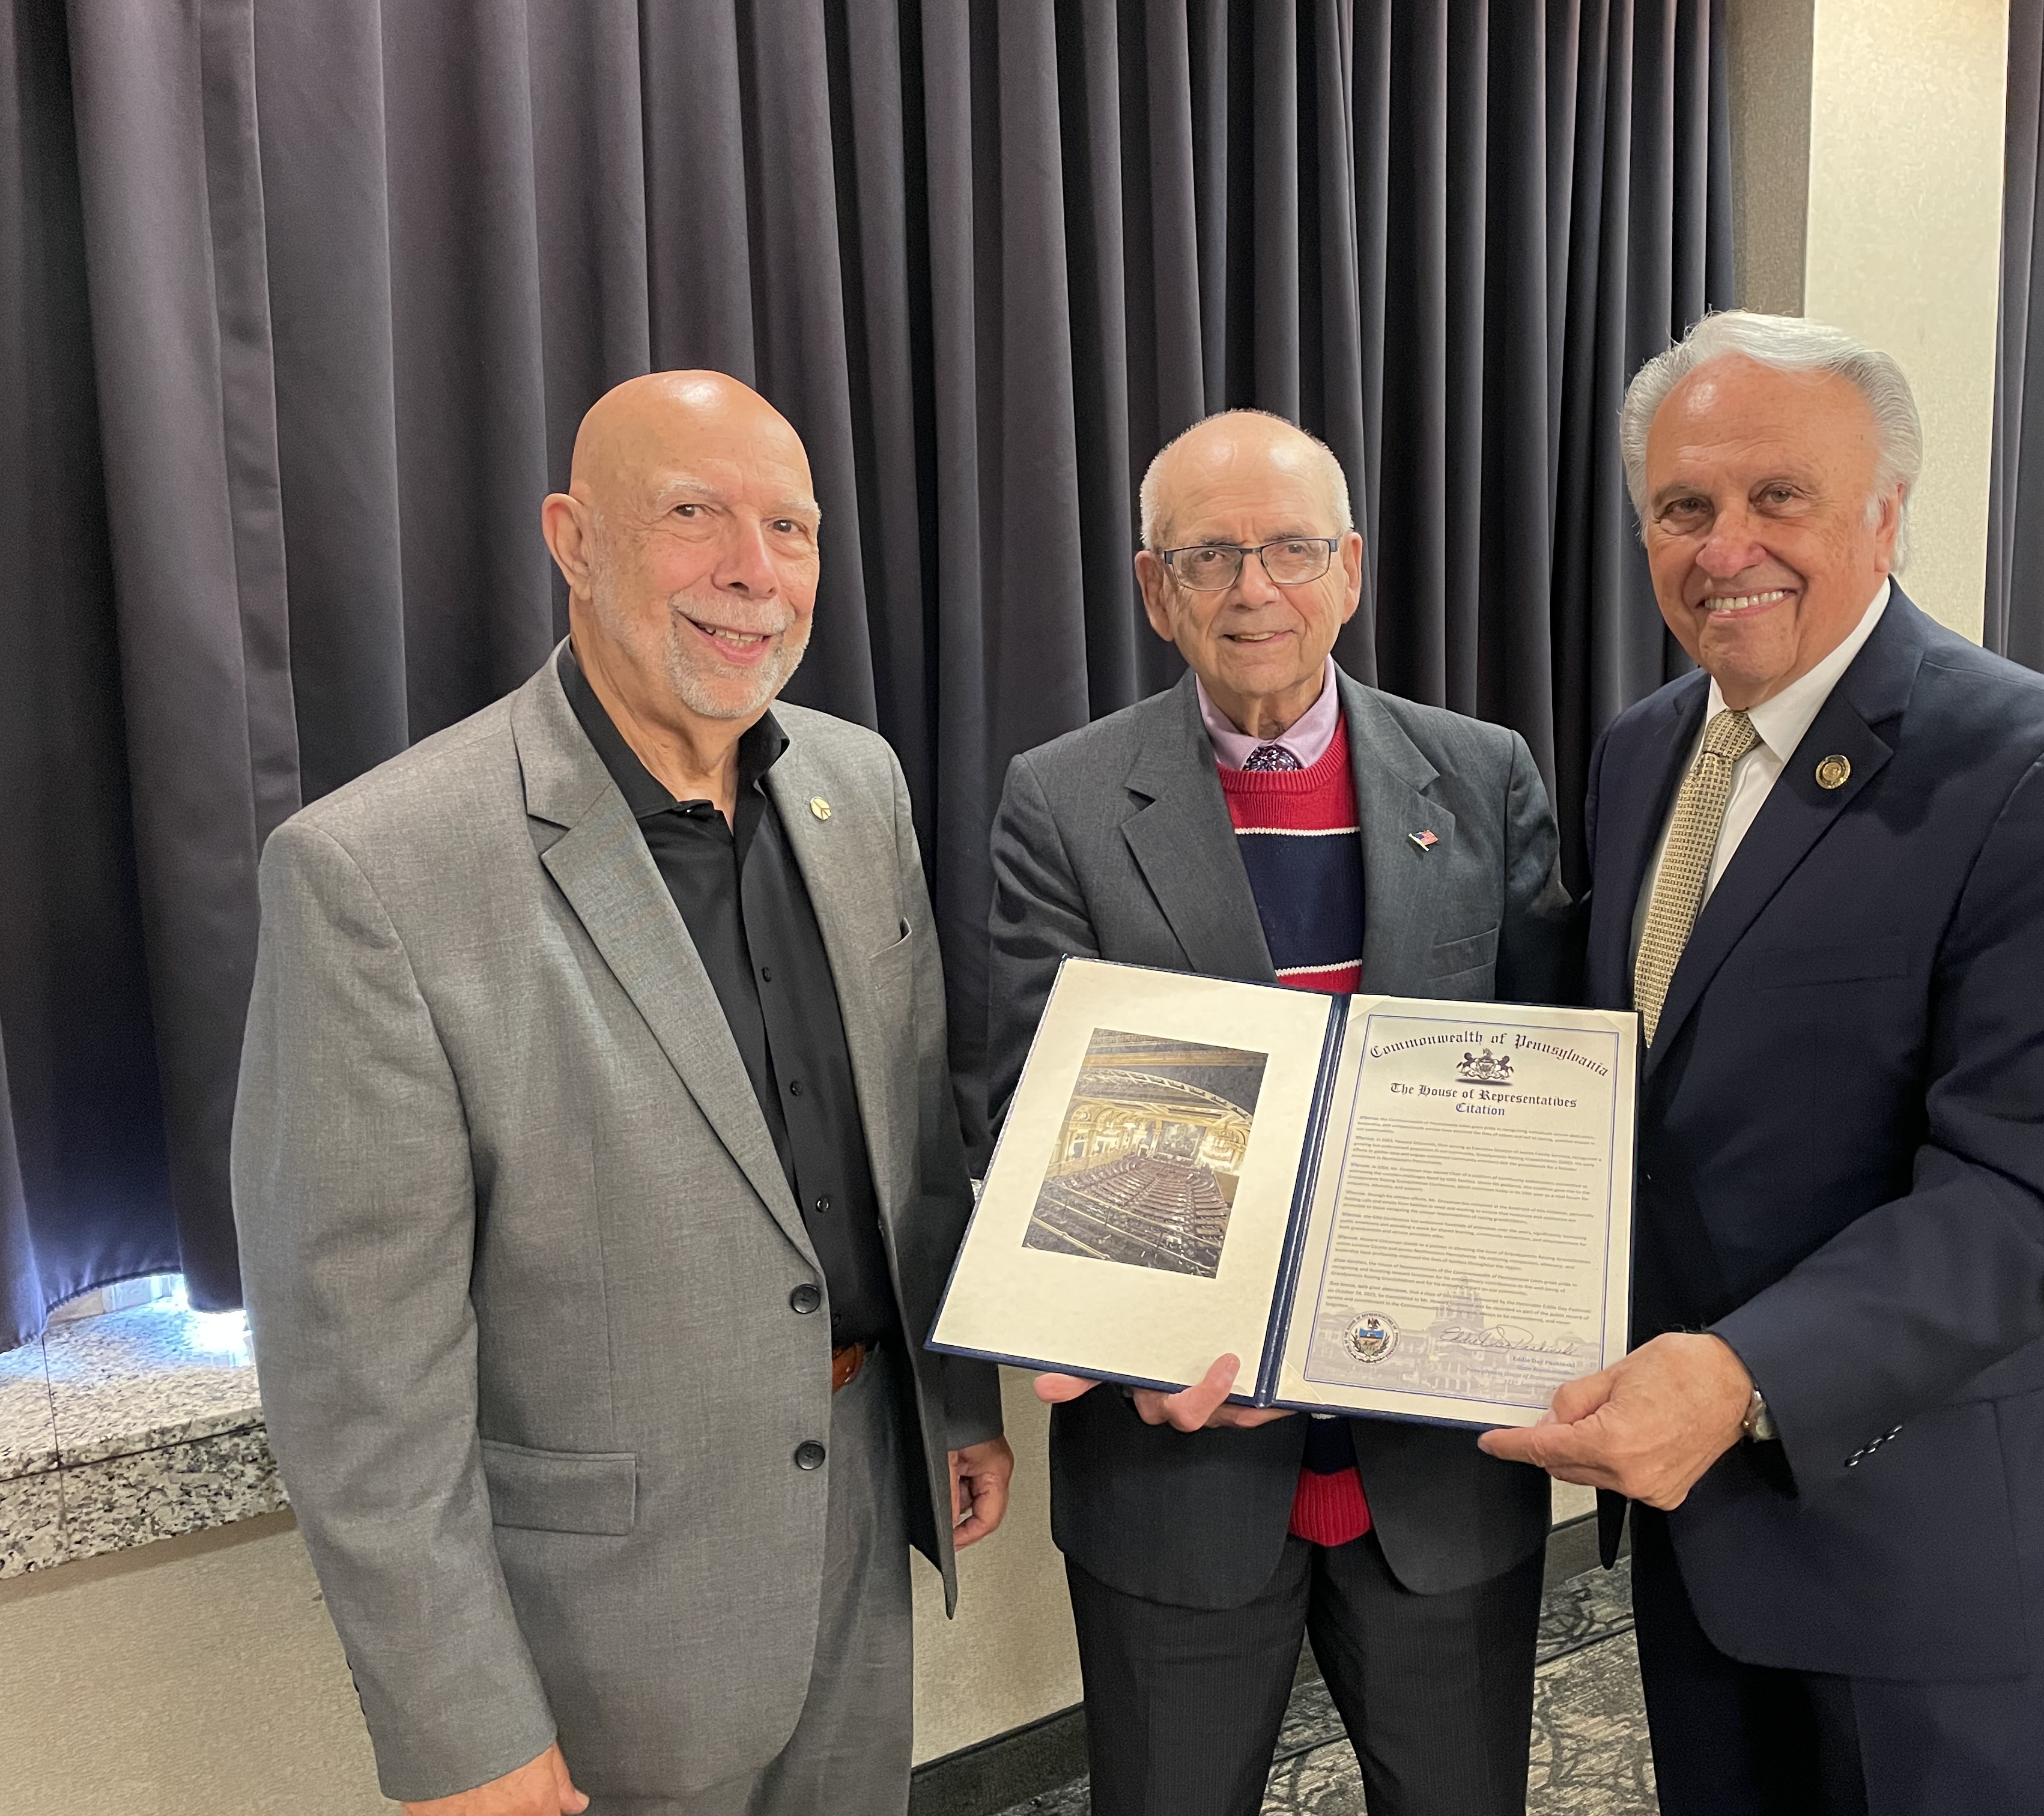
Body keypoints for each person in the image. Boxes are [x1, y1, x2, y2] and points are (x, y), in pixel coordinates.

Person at [232, 372, 1012, 1816]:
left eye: (792, 527)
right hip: (603, 1623)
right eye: (693, 515)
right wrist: (461, 1727)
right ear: (573, 540)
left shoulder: (858, 785)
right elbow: (359, 1373)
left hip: (861, 1507)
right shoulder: (377, 871)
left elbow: (912, 1143)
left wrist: (954, 1401)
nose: (754, 572)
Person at [1481, 311, 2044, 1814]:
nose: (1726, 545)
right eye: (1683, 505)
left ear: (1884, 512)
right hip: (1704, 1529)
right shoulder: (1644, 749)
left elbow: (2030, 1203)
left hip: (1935, 1546)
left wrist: (1739, 1380)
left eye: (1778, 496)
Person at [984, 409, 1575, 1816]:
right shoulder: (1063, 802)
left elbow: (1548, 1096)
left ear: (1350, 570)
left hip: (1438, 1472)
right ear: (1155, 588)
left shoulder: (1483, 776)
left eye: (1293, 550)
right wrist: (1135, 1325)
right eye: (1210, 556)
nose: (1255, 588)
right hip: (1177, 1474)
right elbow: (1036, 1111)